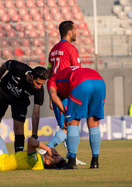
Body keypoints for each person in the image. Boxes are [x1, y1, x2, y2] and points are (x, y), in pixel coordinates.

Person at [47, 66, 106, 169]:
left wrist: (65, 113)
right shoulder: (67, 72)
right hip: (100, 81)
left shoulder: (52, 79)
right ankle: (95, 162)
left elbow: (53, 96)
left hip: (81, 82)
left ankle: (71, 162)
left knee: (72, 123)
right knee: (94, 123)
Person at [0, 59, 48, 152]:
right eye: (38, 83)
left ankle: (18, 155)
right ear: (32, 77)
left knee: (19, 128)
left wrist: (34, 134)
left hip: (20, 101)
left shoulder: (39, 90)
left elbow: (36, 113)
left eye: (42, 84)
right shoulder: (19, 67)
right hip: (3, 93)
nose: (39, 87)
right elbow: (4, 66)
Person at [46, 20, 85, 165]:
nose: (76, 32)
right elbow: (77, 71)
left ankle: (71, 156)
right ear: (69, 32)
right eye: (75, 29)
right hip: (67, 92)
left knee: (67, 126)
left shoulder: (53, 50)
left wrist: (52, 96)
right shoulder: (71, 48)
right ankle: (46, 149)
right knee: (69, 126)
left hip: (55, 92)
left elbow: (50, 72)